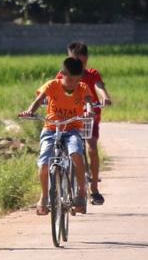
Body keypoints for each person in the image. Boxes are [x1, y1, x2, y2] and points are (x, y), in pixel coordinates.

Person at [21, 54, 97, 215]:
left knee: (76, 153)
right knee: (43, 161)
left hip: (72, 129)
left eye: (76, 81)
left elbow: (89, 102)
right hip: (51, 128)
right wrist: (29, 111)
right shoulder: (51, 85)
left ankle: (81, 193)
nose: (73, 85)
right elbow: (38, 100)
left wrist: (89, 112)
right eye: (70, 81)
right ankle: (44, 197)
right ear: (62, 75)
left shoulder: (82, 87)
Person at [57, 41, 111, 205]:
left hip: (88, 118)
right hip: (68, 117)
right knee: (58, 147)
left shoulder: (92, 74)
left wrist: (105, 97)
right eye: (74, 61)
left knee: (92, 148)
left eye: (81, 62)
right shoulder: (62, 75)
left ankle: (94, 189)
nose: (77, 65)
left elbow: (99, 86)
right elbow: (53, 89)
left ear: (86, 60)